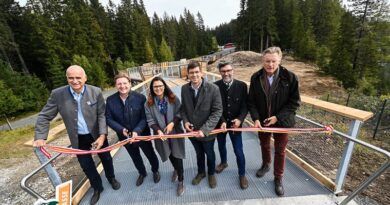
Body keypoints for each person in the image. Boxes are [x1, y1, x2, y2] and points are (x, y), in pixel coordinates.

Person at [33, 65, 121, 205]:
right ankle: (97, 188)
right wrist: (40, 137)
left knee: (106, 158)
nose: (75, 81)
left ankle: (111, 178)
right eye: (71, 78)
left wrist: (103, 135)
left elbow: (101, 115)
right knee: (86, 165)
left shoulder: (95, 91)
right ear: (67, 79)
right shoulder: (58, 95)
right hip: (78, 138)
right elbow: (44, 116)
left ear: (85, 78)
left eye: (78, 77)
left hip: (97, 134)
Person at [248, 47, 300, 196]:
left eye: (273, 61)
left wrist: (277, 117)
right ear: (262, 61)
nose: (270, 64)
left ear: (280, 60)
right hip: (263, 121)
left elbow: (294, 103)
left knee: (280, 150)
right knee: (264, 145)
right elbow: (251, 101)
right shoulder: (256, 77)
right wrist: (256, 119)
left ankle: (278, 178)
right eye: (267, 61)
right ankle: (265, 164)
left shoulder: (290, 77)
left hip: (282, 122)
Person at [105, 73, 160, 187]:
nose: (122, 86)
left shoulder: (140, 98)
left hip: (141, 134)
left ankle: (155, 170)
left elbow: (144, 117)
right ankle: (142, 173)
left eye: (125, 83)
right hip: (125, 136)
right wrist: (121, 130)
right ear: (115, 85)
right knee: (135, 156)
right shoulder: (110, 100)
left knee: (150, 153)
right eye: (119, 83)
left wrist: (137, 131)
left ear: (130, 83)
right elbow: (109, 118)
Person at [180, 61, 222, 189]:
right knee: (198, 153)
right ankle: (201, 172)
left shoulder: (213, 89)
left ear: (201, 72)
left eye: (197, 72)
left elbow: (217, 111)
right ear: (188, 74)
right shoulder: (184, 89)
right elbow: (183, 109)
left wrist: (205, 130)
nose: (194, 75)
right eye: (191, 73)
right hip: (192, 132)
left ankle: (211, 173)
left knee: (209, 153)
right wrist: (185, 121)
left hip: (207, 131)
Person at [144, 76, 186, 196]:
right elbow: (150, 120)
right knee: (169, 153)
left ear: (164, 86)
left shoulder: (173, 98)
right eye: (155, 86)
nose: (158, 88)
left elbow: (180, 112)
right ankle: (176, 170)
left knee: (177, 155)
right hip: (161, 134)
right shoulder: (148, 103)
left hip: (175, 131)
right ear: (152, 88)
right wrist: (158, 131)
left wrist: (173, 123)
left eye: (160, 86)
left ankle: (181, 180)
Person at [214, 61, 248, 189]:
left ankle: (242, 174)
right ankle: (223, 163)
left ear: (233, 70)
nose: (226, 73)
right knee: (221, 145)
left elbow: (245, 106)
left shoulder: (242, 86)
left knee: (238, 151)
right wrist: (222, 120)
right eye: (223, 71)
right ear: (220, 72)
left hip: (236, 125)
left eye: (229, 70)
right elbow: (215, 107)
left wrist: (240, 120)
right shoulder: (215, 86)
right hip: (220, 124)